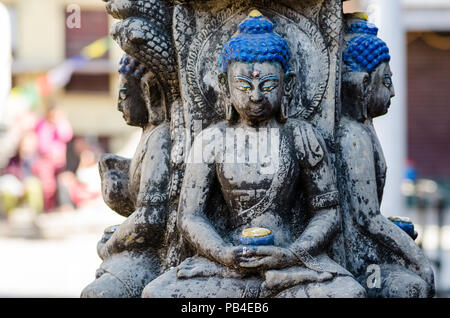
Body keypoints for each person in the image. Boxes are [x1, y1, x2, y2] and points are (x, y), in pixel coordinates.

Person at [142, 11, 365, 298]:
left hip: (290, 258)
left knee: (348, 294)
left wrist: (290, 254)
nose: (256, 96)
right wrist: (223, 253)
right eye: (244, 86)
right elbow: (190, 217)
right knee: (157, 294)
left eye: (268, 85)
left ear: (289, 84)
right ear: (224, 86)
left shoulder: (301, 135)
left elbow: (327, 211)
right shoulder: (211, 139)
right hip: (228, 260)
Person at [336, 13, 434, 297]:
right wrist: (418, 259)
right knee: (412, 286)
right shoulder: (351, 137)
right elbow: (367, 218)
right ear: (363, 84)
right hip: (357, 263)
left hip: (365, 254)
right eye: (387, 81)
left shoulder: (363, 129)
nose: (393, 92)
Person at [81, 54, 172, 298]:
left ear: (148, 91)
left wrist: (113, 244)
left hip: (153, 255)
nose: (118, 106)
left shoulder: (161, 138)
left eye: (123, 95)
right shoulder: (148, 135)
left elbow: (150, 218)